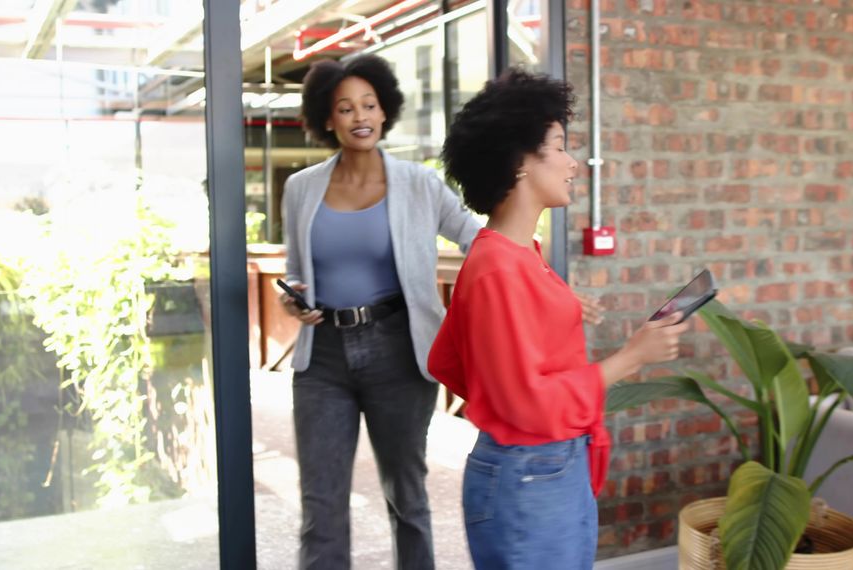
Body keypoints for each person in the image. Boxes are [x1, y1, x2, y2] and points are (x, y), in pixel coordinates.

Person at [428, 70, 691, 569]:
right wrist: (632, 357)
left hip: (545, 469)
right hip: (531, 476)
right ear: (519, 162)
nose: (572, 163)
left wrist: (547, 321)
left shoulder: (518, 255)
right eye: (558, 147)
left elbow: (453, 360)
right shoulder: (499, 267)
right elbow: (522, 399)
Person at [277, 54, 482, 570]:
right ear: (328, 119)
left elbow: (478, 239)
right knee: (321, 505)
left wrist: (540, 279)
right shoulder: (300, 188)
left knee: (406, 497)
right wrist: (293, 297)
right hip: (322, 358)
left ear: (385, 111)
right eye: (345, 108)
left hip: (398, 349)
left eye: (368, 105)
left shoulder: (420, 184)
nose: (359, 116)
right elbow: (296, 270)